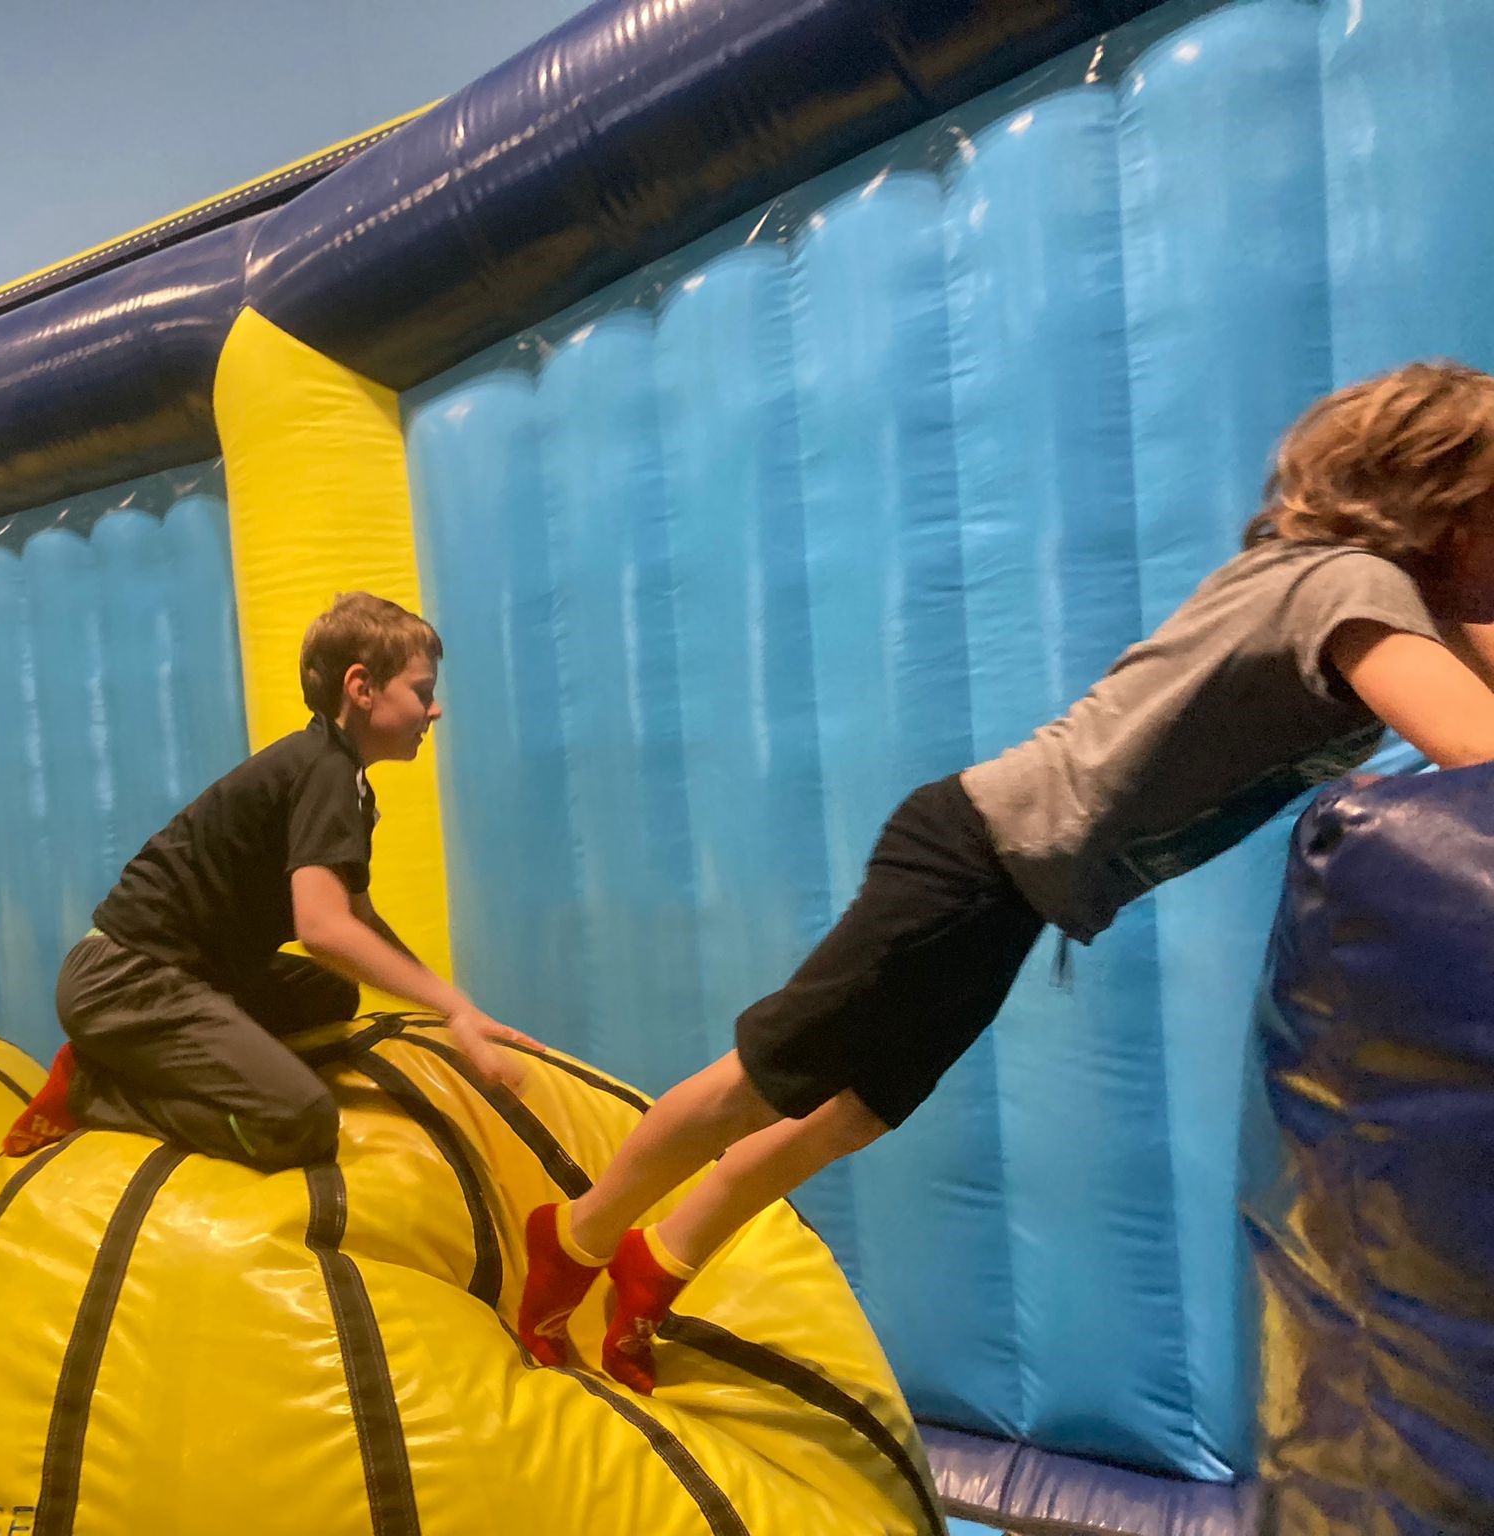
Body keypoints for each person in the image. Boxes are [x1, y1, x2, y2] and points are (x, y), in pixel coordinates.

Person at [519, 360, 1494, 1393]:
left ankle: (656, 1264)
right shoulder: (1349, 585)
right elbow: (1476, 750)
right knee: (761, 1082)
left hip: (1013, 885)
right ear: (1443, 509)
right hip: (970, 851)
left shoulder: (1345, 582)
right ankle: (572, 1241)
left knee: (856, 1110)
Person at [6, 591, 539, 1168]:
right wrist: (453, 1007)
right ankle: (95, 1091)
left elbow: (359, 920)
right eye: (422, 692)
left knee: (332, 993)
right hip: (125, 979)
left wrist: (453, 1007)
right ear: (362, 688)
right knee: (299, 1121)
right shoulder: (325, 771)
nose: (435, 711)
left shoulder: (343, 780)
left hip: (183, 969)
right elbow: (323, 929)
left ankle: (167, 1060)